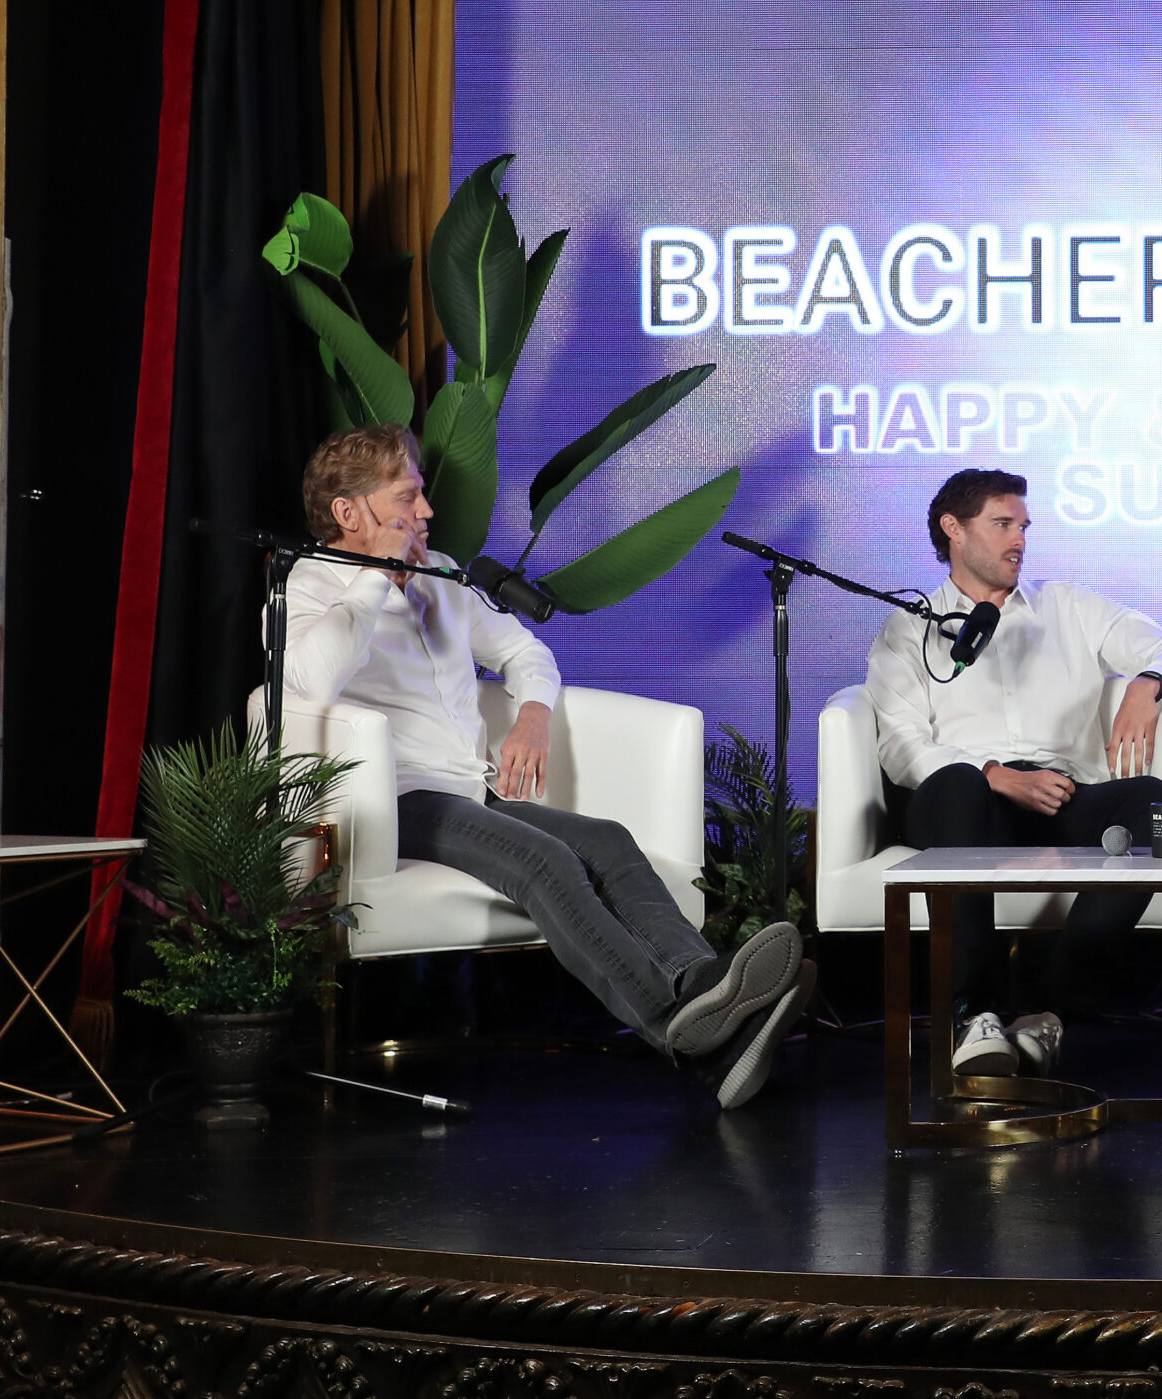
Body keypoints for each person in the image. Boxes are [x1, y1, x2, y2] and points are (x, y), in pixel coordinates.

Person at [280, 424, 812, 1109]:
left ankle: (702, 988)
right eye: (408, 496)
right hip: (396, 800)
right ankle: (680, 1030)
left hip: (469, 787)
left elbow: (525, 652)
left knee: (609, 841)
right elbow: (311, 682)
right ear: (349, 512)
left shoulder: (440, 574)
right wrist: (373, 581)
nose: (427, 510)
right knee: (545, 862)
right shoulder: (311, 583)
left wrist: (532, 715)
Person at [866, 468, 1162, 1079]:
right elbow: (900, 745)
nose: (1019, 539)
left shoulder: (1067, 607)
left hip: (1060, 794)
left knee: (1158, 802)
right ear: (953, 529)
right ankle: (973, 1013)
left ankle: (1050, 1012)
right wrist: (994, 774)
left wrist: (1149, 682)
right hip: (964, 806)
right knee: (958, 784)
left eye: (1024, 526)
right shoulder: (911, 625)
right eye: (1002, 524)